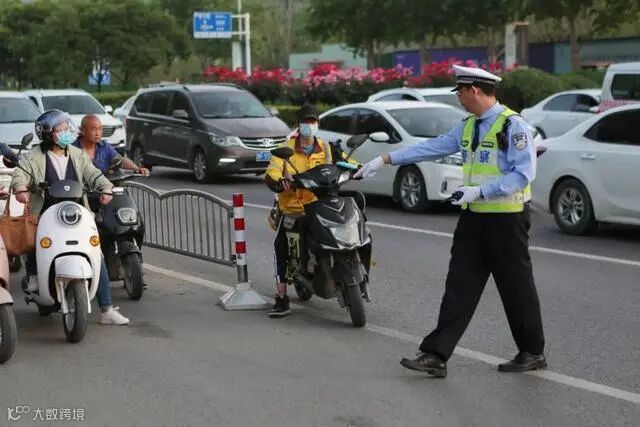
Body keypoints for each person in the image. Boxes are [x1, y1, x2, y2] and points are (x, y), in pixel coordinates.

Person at [355, 65, 546, 377]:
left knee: (516, 288)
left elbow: (523, 174)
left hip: (506, 221)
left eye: (460, 91)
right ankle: (436, 354)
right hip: (473, 219)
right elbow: (433, 147)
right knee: (459, 286)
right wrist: (385, 159)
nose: (458, 97)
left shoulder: (513, 126)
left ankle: (532, 352)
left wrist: (480, 191)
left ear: (474, 90)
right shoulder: (468, 126)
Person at [11, 109, 129, 325]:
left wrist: (106, 188)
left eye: (67, 128)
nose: (67, 132)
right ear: (48, 133)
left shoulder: (76, 154)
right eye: (61, 129)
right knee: (36, 241)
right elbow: (20, 174)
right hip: (45, 212)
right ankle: (35, 275)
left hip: (76, 212)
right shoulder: (34, 156)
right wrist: (20, 187)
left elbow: (93, 174)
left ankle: (107, 309)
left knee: (96, 253)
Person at [264, 103, 359, 318]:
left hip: (320, 204)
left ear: (318, 123)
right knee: (281, 246)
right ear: (298, 124)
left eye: (313, 121)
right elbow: (272, 172)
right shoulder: (285, 149)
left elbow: (345, 161)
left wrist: (358, 168)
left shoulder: (326, 147)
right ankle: (281, 297)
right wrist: (279, 182)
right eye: (305, 121)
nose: (309, 125)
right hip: (294, 208)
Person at [74, 114, 150, 176]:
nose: (97, 133)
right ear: (83, 131)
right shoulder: (72, 149)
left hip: (103, 187)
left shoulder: (104, 146)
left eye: (100, 129)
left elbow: (120, 160)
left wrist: (137, 169)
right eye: (93, 129)